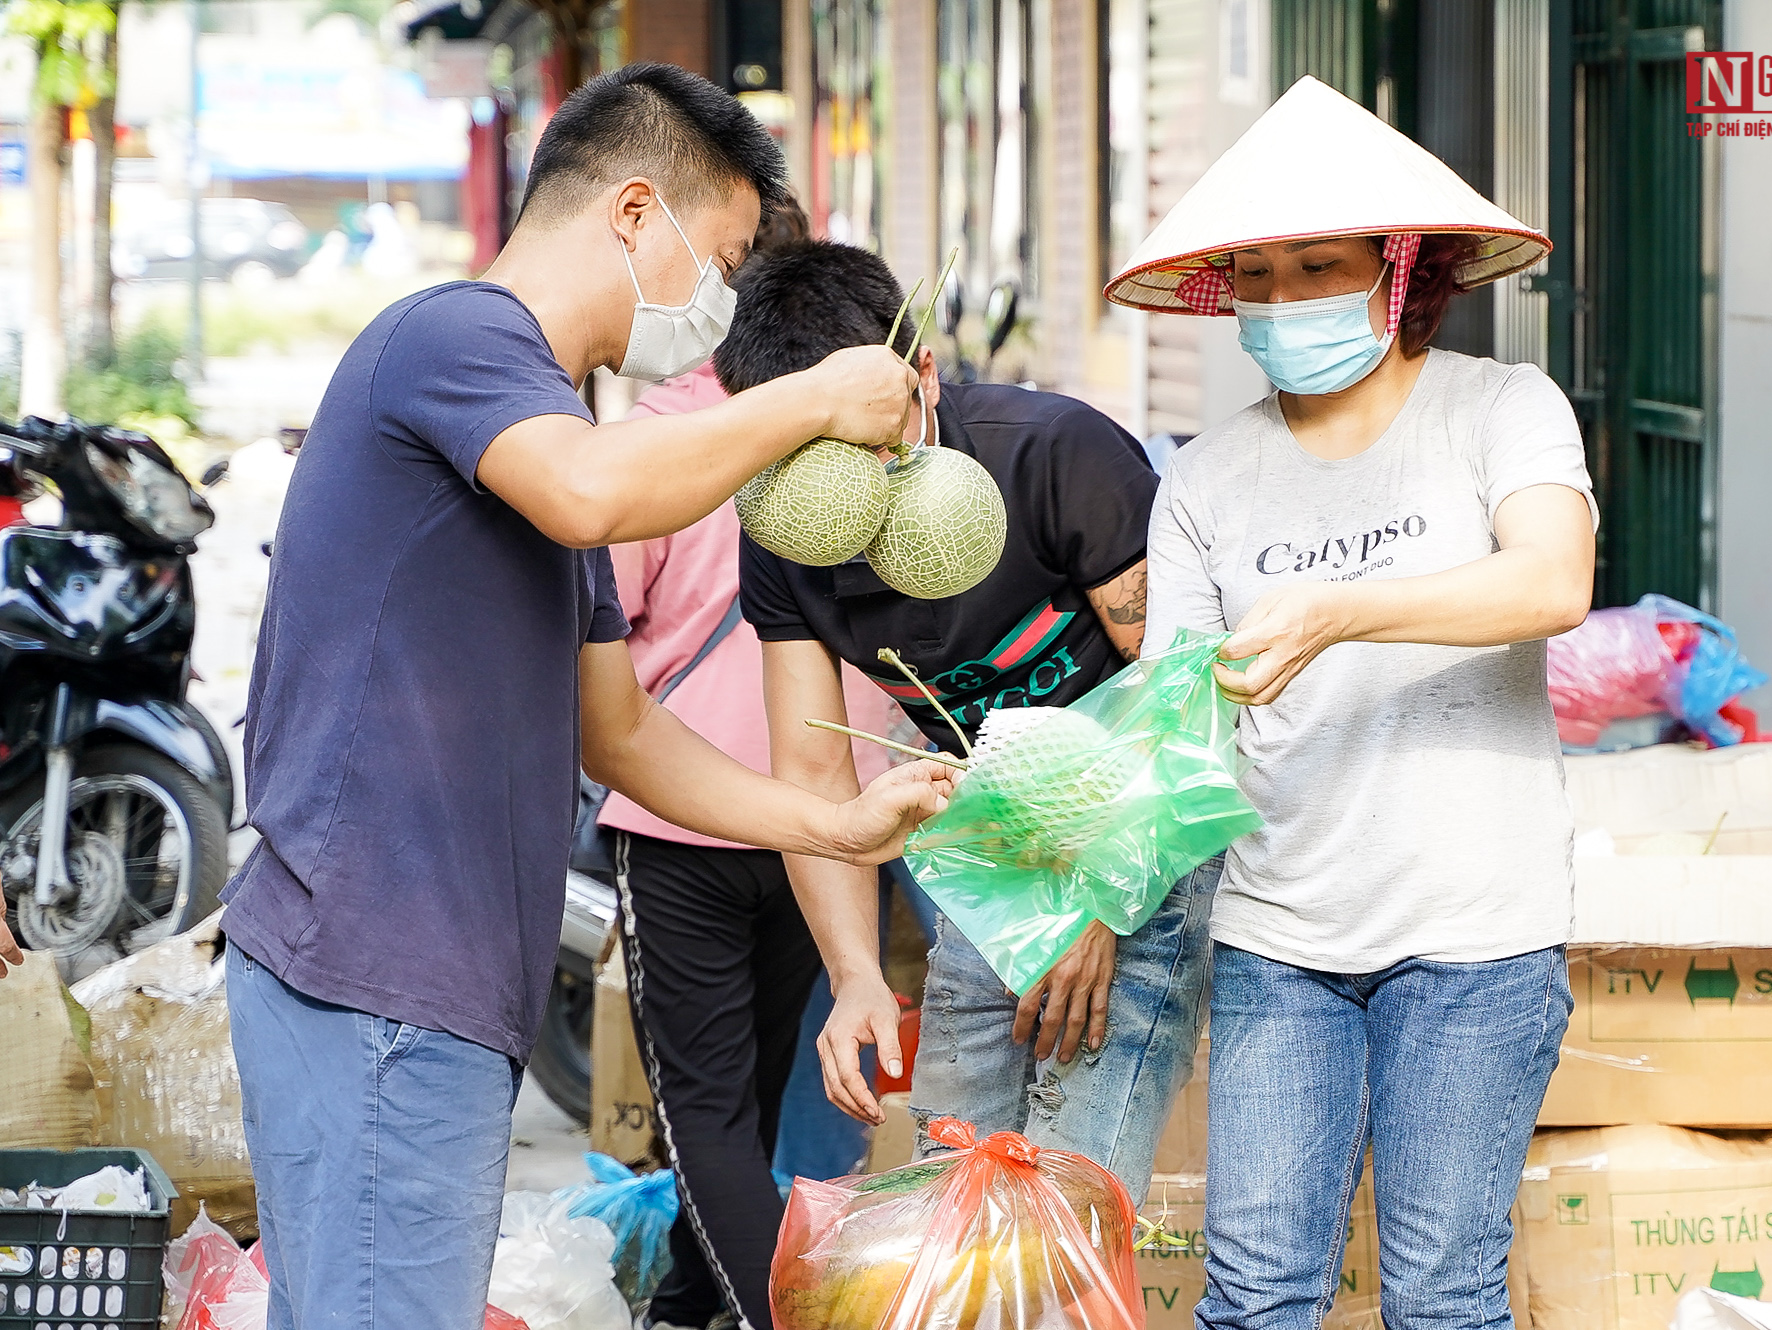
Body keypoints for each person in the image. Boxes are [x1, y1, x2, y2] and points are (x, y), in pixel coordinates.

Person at [220, 64, 956, 1330]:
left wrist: (830, 826)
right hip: (376, 975)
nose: (718, 305)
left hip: (429, 992)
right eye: (718, 259)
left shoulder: (542, 423)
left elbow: (619, 730)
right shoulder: (459, 341)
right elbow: (595, 495)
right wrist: (812, 397)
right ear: (632, 213)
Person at [1105, 76, 1596, 1330]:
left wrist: (1337, 609)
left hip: (1478, 937)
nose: (1277, 300)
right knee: (1255, 1294)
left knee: (1439, 1296)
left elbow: (1549, 581)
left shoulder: (1499, 409)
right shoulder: (1205, 478)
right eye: (1255, 276)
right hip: (1280, 940)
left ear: (1399, 269)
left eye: (1314, 265)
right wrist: (1050, 823)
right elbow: (1178, 714)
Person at [714, 239, 1219, 1208]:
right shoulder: (785, 533)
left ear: (924, 376)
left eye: (868, 431)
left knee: (1062, 1209)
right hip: (992, 849)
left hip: (1142, 838)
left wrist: (1104, 898)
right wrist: (855, 974)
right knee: (952, 1191)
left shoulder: (1055, 456)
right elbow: (815, 776)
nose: (850, 472)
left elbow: (1177, 694)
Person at [597, 188, 909, 1330]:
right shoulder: (880, 444)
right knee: (749, 1105)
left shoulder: (656, 441)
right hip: (823, 818)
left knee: (706, 1115)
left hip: (690, 819)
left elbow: (601, 644)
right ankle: (695, 1302)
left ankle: (722, 1308)